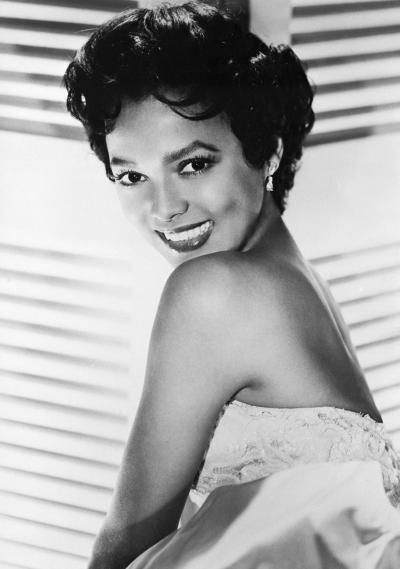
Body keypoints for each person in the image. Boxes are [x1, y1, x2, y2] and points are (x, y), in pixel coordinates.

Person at [63, 2, 400, 568]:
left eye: (193, 164)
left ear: (266, 151)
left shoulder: (212, 291)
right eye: (132, 175)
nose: (164, 209)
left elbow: (127, 542)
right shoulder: (294, 278)